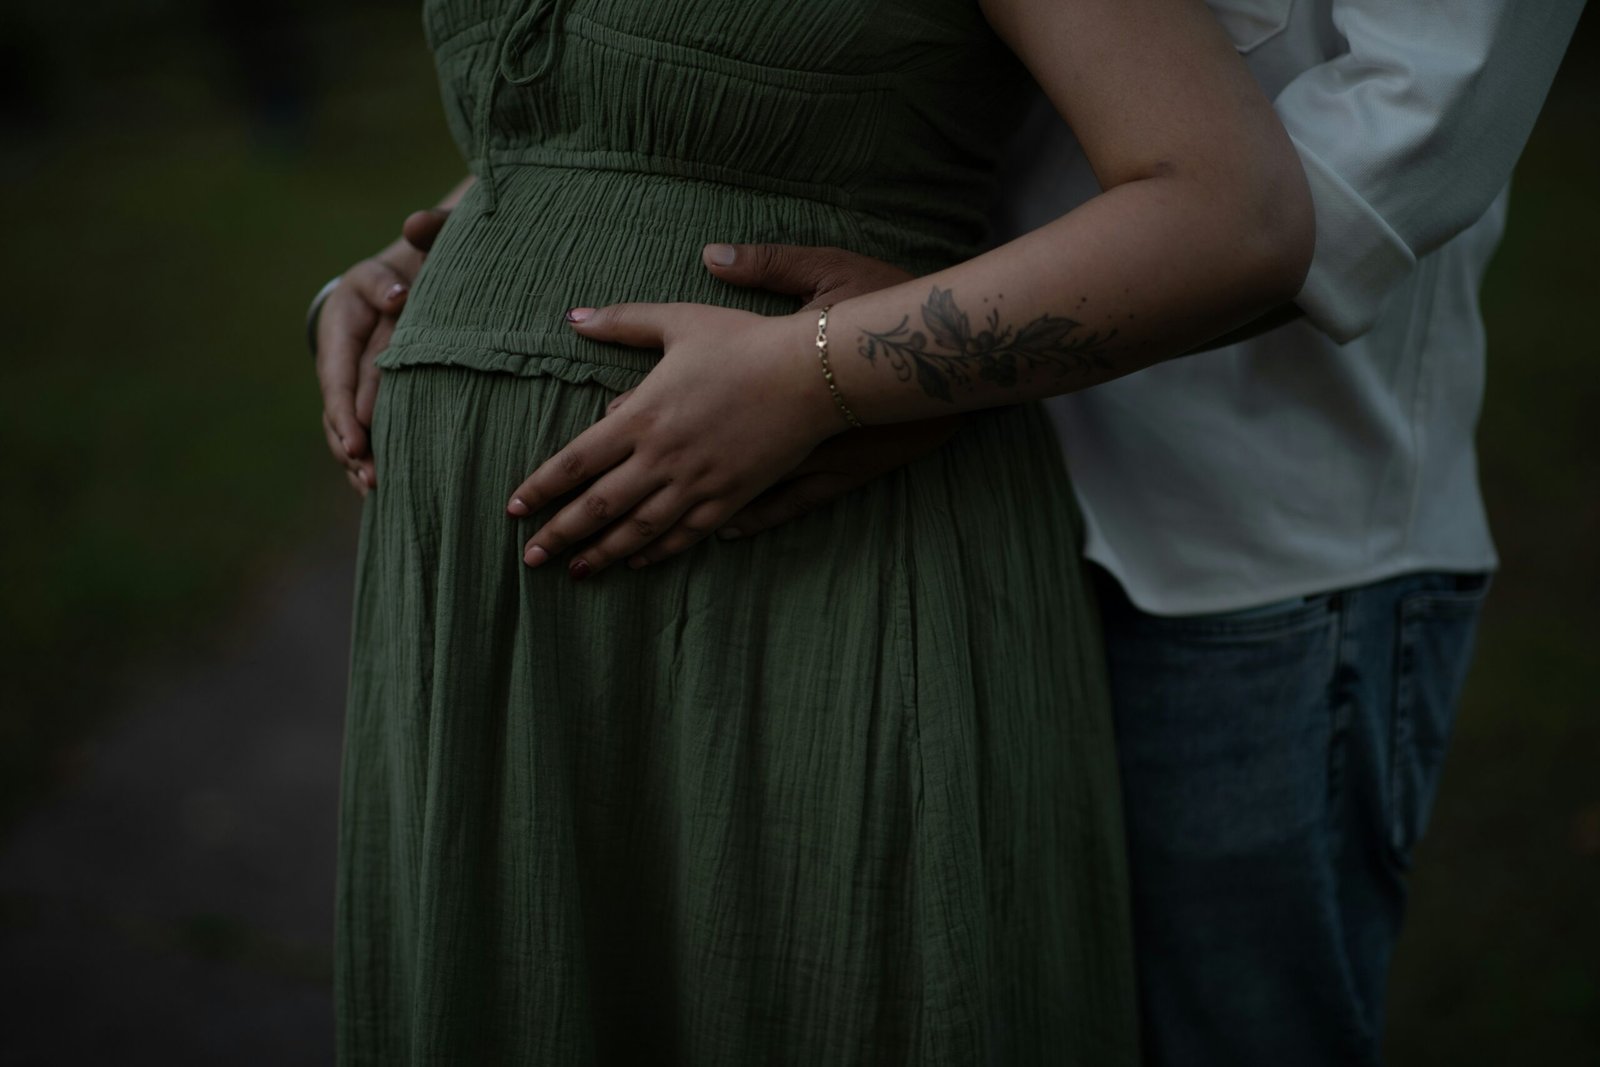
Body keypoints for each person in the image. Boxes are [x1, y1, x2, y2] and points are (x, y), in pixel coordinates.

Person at [376, 3, 1577, 1065]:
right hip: (912, 473)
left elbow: (1397, 147)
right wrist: (449, 255)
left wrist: (878, 363)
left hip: (1234, 536)